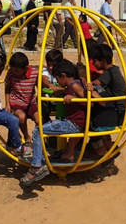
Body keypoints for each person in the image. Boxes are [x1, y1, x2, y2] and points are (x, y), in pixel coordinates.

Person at [20, 59, 86, 187]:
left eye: (57, 79)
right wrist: (61, 91)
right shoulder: (74, 84)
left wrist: (73, 98)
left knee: (38, 131)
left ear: (63, 76)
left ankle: (36, 166)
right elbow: (67, 90)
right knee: (44, 129)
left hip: (73, 124)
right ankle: (41, 161)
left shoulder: (75, 86)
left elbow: (88, 102)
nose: (57, 82)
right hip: (74, 122)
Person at [5, 52, 40, 143]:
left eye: (17, 71)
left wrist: (39, 100)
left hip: (31, 102)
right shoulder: (11, 73)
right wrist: (7, 104)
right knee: (21, 117)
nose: (14, 72)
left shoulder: (34, 73)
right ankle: (26, 136)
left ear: (26, 68)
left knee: (39, 120)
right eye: (13, 69)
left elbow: (40, 87)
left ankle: (37, 138)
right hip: (16, 102)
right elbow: (7, 88)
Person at [90, 44, 126, 124]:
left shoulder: (109, 73)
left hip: (120, 113)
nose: (93, 64)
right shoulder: (114, 69)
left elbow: (94, 84)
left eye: (95, 61)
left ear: (103, 61)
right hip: (124, 110)